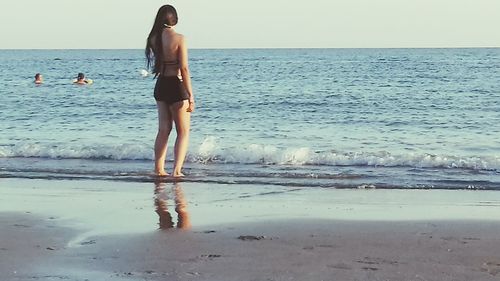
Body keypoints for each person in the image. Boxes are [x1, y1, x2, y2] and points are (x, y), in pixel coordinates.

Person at [146, 4, 195, 177]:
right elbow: (184, 68)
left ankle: (158, 169)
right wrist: (191, 95)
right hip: (176, 85)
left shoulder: (153, 38)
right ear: (175, 19)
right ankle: (176, 170)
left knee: (163, 130)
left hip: (161, 84)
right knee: (183, 131)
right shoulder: (180, 38)